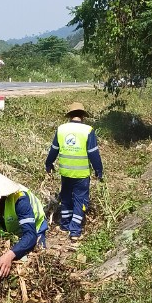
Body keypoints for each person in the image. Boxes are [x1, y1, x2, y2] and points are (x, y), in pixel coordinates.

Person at [45, 102, 104, 242]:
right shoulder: (88, 130)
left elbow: (54, 149)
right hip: (82, 174)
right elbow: (93, 153)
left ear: (70, 116)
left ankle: (64, 225)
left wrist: (48, 163)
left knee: (65, 197)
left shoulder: (61, 129)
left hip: (65, 172)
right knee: (80, 200)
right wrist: (99, 170)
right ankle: (75, 230)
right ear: (83, 116)